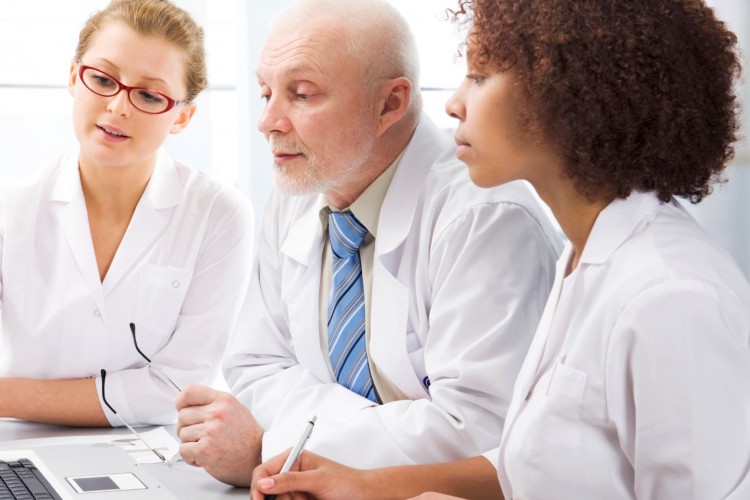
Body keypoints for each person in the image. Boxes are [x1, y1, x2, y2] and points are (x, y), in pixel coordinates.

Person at [249, 0, 750, 498]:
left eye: (480, 77)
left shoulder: (670, 294)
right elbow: (529, 471)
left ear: (567, 96)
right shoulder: (585, 260)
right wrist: (364, 487)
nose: (452, 104)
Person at [175, 0, 561, 487]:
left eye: (302, 94)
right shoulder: (299, 187)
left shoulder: (486, 217)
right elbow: (254, 368)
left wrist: (271, 448)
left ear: (390, 104)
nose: (268, 122)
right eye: (265, 92)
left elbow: (479, 432)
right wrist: (366, 430)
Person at [0, 0, 254, 428]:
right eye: (102, 79)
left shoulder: (219, 215)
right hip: (18, 442)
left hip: (148, 448)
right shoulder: (11, 206)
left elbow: (178, 389)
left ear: (182, 116)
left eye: (150, 95)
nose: (118, 107)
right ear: (72, 78)